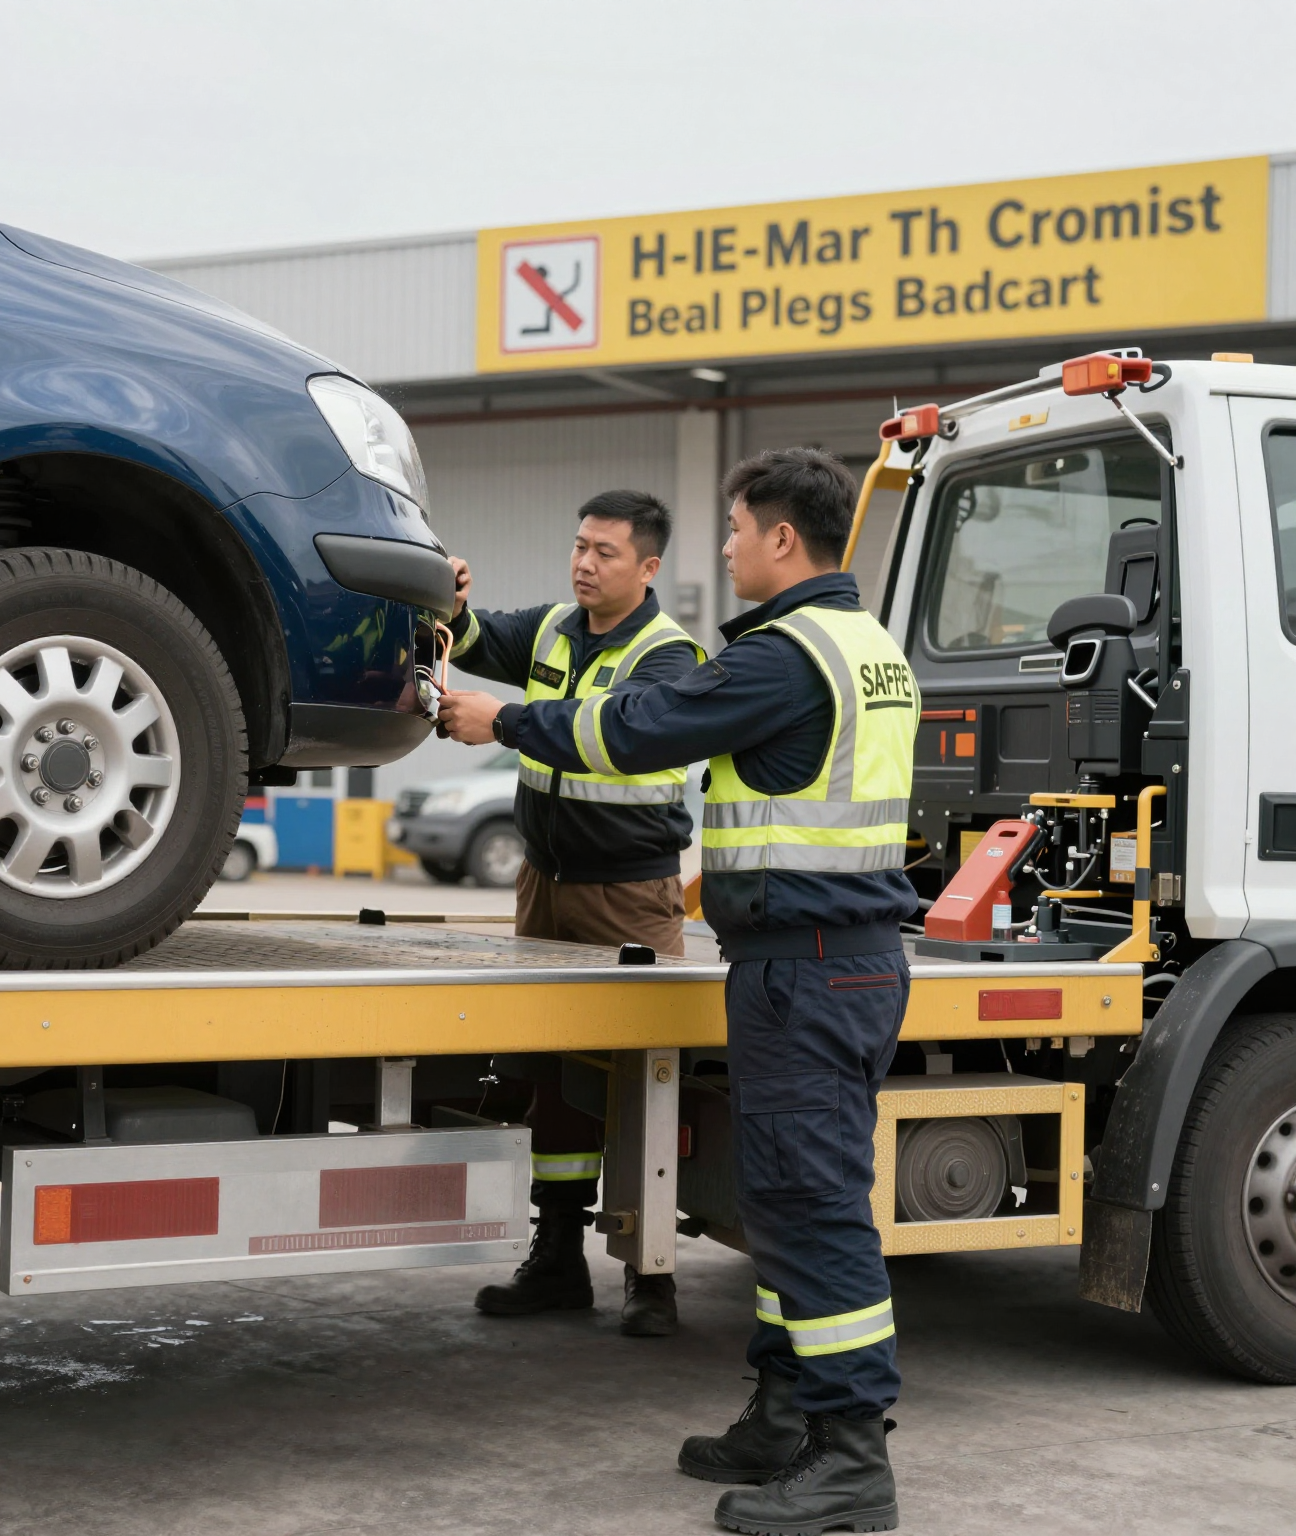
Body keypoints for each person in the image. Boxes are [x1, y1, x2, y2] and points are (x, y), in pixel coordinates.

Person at [439, 448, 917, 1535]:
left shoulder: (782, 657)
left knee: (813, 1207)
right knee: (787, 1203)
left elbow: (637, 731)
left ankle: (851, 1459)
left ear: (783, 540)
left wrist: (502, 721)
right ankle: (785, 1407)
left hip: (809, 961)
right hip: (820, 959)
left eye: (739, 529)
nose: (731, 547)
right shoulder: (866, 645)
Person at [444, 488, 704, 1337]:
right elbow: (480, 637)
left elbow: (624, 732)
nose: (585, 563)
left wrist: (507, 721)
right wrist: (449, 601)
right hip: (545, 884)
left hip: (629, 894)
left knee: (637, 1085)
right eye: (580, 545)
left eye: (607, 552)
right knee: (551, 1080)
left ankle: (651, 1277)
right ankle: (556, 1257)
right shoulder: (556, 628)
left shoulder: (671, 655)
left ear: (649, 567)